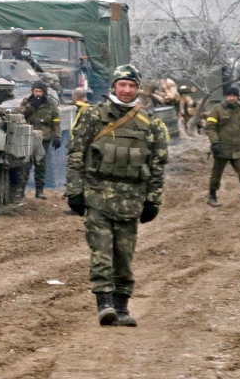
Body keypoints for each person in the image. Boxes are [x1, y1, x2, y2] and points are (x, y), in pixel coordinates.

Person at [67, 64, 168, 327]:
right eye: (122, 85)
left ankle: (122, 307)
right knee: (101, 253)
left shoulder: (151, 124)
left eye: (132, 86)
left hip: (131, 199)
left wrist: (153, 200)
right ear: (114, 87)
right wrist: (75, 191)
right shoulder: (92, 116)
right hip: (97, 194)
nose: (126, 90)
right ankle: (105, 305)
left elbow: (157, 165)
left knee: (124, 256)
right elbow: (76, 154)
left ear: (137, 89)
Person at [204, 87, 240, 208]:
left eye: (234, 96)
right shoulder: (217, 110)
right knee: (216, 174)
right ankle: (212, 196)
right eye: (229, 96)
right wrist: (215, 142)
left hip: (238, 148)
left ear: (237, 97)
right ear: (226, 97)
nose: (232, 98)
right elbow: (210, 127)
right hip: (221, 148)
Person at [21, 81, 62, 199]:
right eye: (36, 91)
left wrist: (57, 136)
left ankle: (39, 191)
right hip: (28, 137)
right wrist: (31, 107)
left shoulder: (50, 104)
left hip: (44, 137)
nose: (38, 93)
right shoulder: (27, 102)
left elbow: (55, 120)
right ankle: (21, 190)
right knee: (25, 164)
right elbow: (20, 115)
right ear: (32, 91)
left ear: (44, 92)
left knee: (40, 164)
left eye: (40, 91)